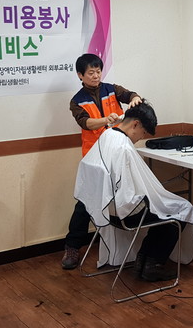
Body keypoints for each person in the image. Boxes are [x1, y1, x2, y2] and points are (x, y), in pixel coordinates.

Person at [74, 101, 193, 281]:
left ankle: (143, 260)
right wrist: (154, 200)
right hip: (125, 213)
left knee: (164, 208)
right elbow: (129, 195)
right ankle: (152, 264)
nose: (141, 138)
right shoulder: (123, 147)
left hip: (106, 209)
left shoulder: (107, 134)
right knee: (181, 209)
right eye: (143, 132)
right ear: (135, 124)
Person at [61, 53, 143, 270]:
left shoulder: (112, 89)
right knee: (85, 202)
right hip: (95, 158)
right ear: (80, 75)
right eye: (91, 72)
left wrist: (135, 98)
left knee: (125, 194)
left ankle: (127, 244)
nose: (96, 76)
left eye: (98, 71)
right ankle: (72, 246)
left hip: (118, 152)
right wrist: (105, 120)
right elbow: (85, 123)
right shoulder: (77, 100)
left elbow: (130, 94)